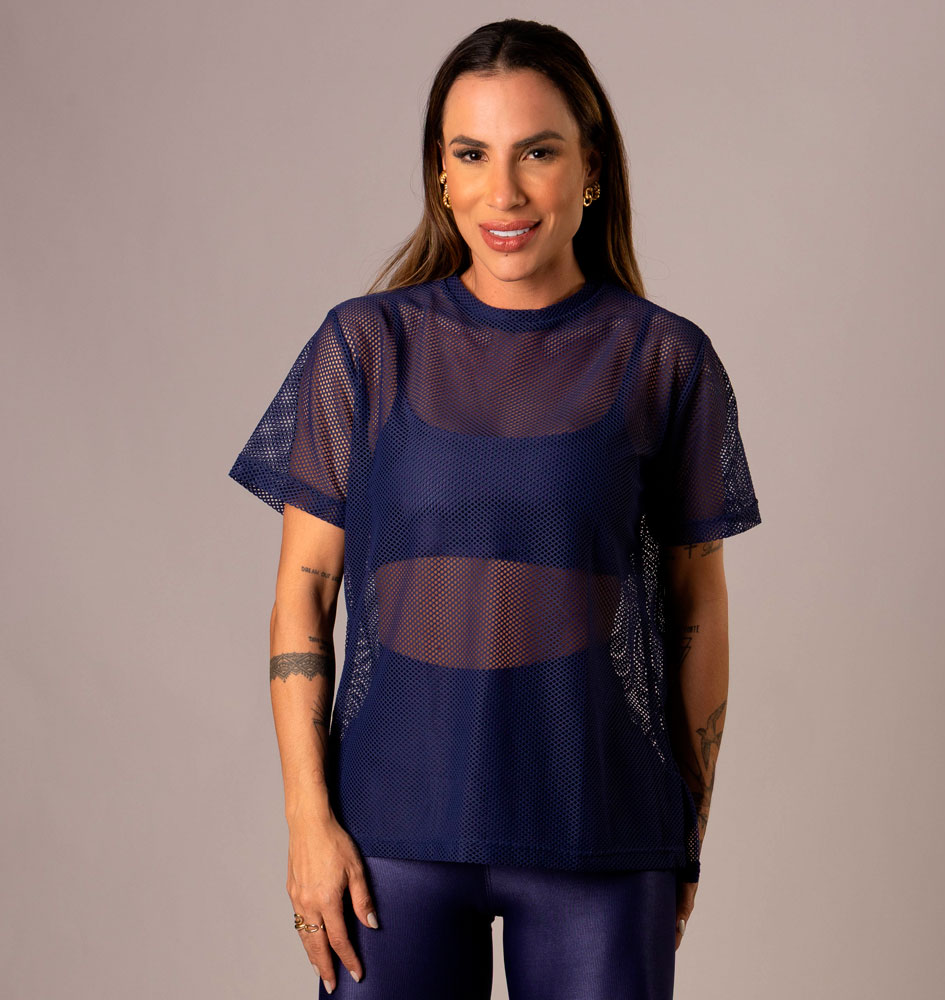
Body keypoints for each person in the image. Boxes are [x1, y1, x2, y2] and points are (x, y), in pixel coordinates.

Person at [228, 17, 762, 1000]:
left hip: (601, 830)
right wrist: (307, 821)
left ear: (591, 168)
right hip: (387, 836)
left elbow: (699, 607)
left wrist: (685, 828)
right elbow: (303, 595)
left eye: (538, 153)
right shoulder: (364, 349)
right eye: (471, 154)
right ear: (440, 173)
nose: (502, 191)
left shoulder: (664, 360)